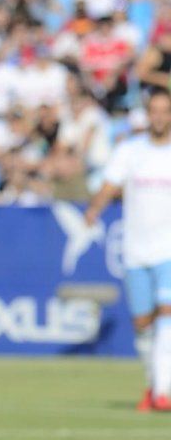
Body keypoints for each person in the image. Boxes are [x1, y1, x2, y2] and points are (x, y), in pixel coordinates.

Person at [85, 89, 171, 412]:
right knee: (142, 325)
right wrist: (94, 209)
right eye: (155, 111)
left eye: (166, 110)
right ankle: (153, 384)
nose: (160, 117)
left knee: (167, 314)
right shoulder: (131, 151)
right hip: (136, 249)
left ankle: (164, 390)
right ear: (148, 114)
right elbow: (110, 184)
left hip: (168, 250)